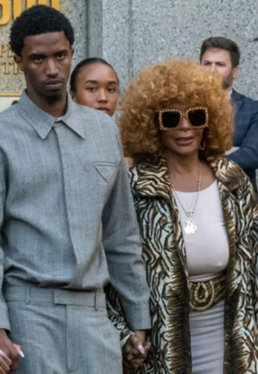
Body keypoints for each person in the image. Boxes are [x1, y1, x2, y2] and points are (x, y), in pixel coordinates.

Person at [0, 6, 151, 374]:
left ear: (71, 54)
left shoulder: (103, 131)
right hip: (26, 312)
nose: (51, 68)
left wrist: (139, 318)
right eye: (38, 58)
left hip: (95, 313)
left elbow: (121, 234)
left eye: (60, 56)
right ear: (19, 61)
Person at [110, 59, 258, 373]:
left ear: (210, 120)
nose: (185, 126)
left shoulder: (234, 182)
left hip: (230, 343)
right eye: (171, 118)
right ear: (152, 124)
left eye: (196, 115)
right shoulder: (135, 188)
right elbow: (114, 269)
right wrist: (124, 334)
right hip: (160, 349)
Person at [200, 36, 258, 188]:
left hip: (238, 201)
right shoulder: (183, 106)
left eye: (220, 64)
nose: (212, 70)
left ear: (235, 70)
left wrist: (198, 164)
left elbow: (252, 154)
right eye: (207, 63)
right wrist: (229, 150)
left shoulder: (252, 109)